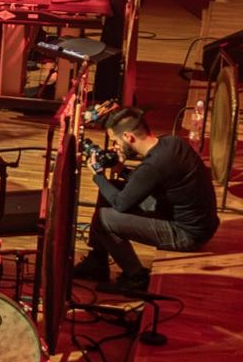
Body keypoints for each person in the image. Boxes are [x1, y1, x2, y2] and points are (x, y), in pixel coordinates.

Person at [73, 105, 218, 293]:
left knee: (104, 218)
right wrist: (120, 170)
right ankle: (97, 261)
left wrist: (98, 175)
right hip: (193, 220)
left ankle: (135, 277)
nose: (115, 146)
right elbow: (145, 182)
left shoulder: (153, 165)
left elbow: (121, 204)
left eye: (116, 141)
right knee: (112, 190)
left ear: (128, 137)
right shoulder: (171, 143)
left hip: (187, 234)